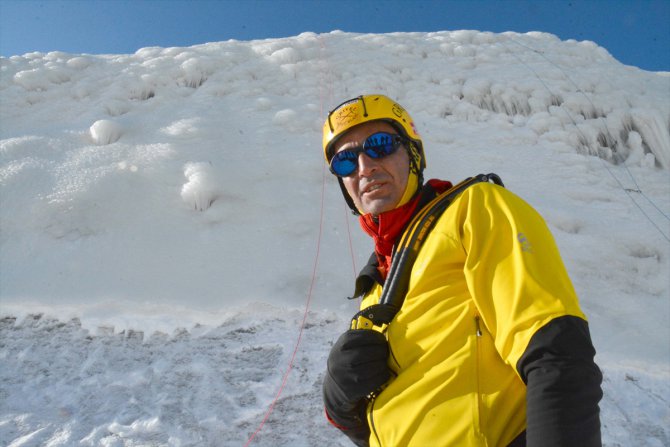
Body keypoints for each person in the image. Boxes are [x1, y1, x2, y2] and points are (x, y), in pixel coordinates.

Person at [321, 94, 603, 447]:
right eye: (345, 162)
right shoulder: (376, 286)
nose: (364, 166)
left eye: (380, 145)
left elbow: (556, 351)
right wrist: (342, 408)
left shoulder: (474, 209)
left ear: (413, 154)